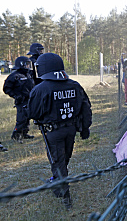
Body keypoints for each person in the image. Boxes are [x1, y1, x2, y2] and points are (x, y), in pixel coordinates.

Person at [27, 53, 92, 209]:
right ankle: (59, 182)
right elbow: (86, 108)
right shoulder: (74, 85)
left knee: (58, 162)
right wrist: (85, 128)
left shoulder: (40, 89)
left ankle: (64, 194)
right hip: (71, 129)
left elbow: (33, 113)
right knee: (63, 160)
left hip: (53, 132)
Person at [3, 56, 35, 143]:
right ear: (22, 64)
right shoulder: (14, 76)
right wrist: (16, 96)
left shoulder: (28, 74)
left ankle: (24, 133)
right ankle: (16, 135)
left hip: (29, 99)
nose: (28, 66)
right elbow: (7, 88)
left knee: (27, 117)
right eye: (27, 64)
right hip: (21, 100)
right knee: (21, 118)